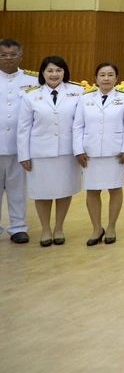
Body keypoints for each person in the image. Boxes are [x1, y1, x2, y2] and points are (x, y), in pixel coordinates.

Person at [17, 56, 83, 246]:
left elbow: (80, 124)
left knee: (64, 190)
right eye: (50, 70)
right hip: (39, 153)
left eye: (58, 70)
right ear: (43, 73)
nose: (54, 74)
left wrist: (80, 150)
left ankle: (59, 228)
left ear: (65, 72)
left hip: (67, 152)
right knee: (42, 192)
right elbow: (23, 128)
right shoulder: (30, 96)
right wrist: (24, 155)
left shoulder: (77, 92)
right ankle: (45, 229)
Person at [73, 63, 124, 245]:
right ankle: (96, 228)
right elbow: (78, 126)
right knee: (92, 190)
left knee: (115, 189)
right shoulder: (85, 99)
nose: (106, 78)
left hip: (115, 153)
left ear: (116, 78)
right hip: (90, 153)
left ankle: (111, 227)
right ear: (96, 78)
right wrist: (78, 150)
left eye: (110, 75)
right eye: (102, 75)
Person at [0, 38, 37, 244]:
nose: (8, 58)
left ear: (21, 56)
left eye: (13, 54)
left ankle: (18, 227)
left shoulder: (33, 81)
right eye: (3, 55)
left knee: (18, 190)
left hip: (20, 146)